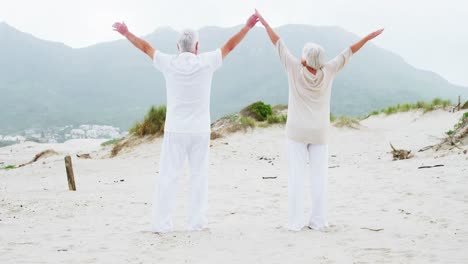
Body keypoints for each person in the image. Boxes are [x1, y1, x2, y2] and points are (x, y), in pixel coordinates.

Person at [112, 14, 259, 233]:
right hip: (199, 130)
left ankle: (161, 225)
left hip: (175, 129)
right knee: (199, 177)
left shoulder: (168, 62)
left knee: (168, 177)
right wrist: (247, 27)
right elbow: (230, 46)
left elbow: (145, 47)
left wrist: (126, 33)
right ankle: (196, 223)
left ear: (177, 46)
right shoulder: (206, 61)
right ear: (197, 46)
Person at [254, 9, 384, 231]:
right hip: (320, 133)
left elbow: (278, 43)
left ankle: (295, 223)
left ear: (304, 58)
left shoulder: (294, 68)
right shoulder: (329, 70)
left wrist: (265, 23)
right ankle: (318, 221)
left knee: (296, 178)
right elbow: (349, 51)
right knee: (319, 179)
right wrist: (368, 37)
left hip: (296, 133)